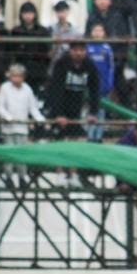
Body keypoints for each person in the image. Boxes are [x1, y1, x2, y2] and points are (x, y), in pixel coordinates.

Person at [49, 41, 100, 188]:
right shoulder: (61, 64)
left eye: (81, 50)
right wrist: (58, 114)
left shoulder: (89, 66)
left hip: (76, 108)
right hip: (60, 107)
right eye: (75, 50)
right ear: (70, 51)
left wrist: (93, 112)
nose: (78, 53)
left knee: (74, 142)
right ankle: (59, 174)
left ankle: (73, 173)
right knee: (59, 141)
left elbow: (95, 90)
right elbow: (55, 89)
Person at [0, 63, 45, 185]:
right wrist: (8, 117)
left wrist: (40, 119)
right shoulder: (4, 88)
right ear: (10, 76)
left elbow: (32, 107)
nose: (17, 79)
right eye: (14, 76)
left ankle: (22, 177)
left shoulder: (27, 89)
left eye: (19, 76)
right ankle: (8, 176)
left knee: (21, 154)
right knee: (9, 153)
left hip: (22, 128)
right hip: (8, 128)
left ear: (23, 77)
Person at [10, 2, 52, 100]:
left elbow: (47, 51)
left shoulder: (43, 31)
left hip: (39, 69)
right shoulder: (16, 31)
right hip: (21, 67)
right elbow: (11, 51)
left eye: (30, 13)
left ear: (35, 14)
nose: (28, 16)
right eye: (25, 13)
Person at [85, 24, 115, 142]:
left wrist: (109, 84)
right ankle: (90, 135)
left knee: (101, 112)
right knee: (90, 111)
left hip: (103, 87)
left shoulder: (107, 48)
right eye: (95, 30)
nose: (97, 33)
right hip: (90, 87)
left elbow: (111, 68)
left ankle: (99, 136)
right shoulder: (87, 47)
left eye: (100, 30)